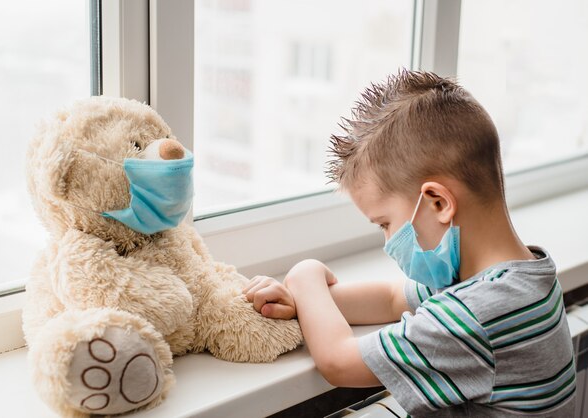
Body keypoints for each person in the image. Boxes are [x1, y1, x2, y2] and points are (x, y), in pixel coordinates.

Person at [242, 69, 576, 417]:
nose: (388, 242)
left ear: (438, 203)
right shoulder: (519, 279)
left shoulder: (474, 315)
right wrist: (302, 301)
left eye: (385, 223)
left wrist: (304, 273)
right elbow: (389, 300)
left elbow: (337, 361)